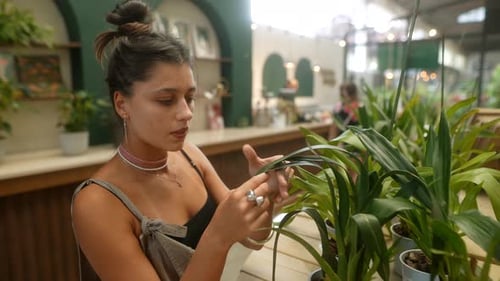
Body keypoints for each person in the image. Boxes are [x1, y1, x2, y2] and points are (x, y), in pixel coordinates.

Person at [71, 1, 291, 281]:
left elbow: (253, 239)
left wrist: (266, 193)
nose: (187, 113)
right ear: (122, 104)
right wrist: (218, 236)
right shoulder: (98, 203)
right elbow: (224, 237)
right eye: (166, 100)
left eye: (189, 97)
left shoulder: (190, 155)